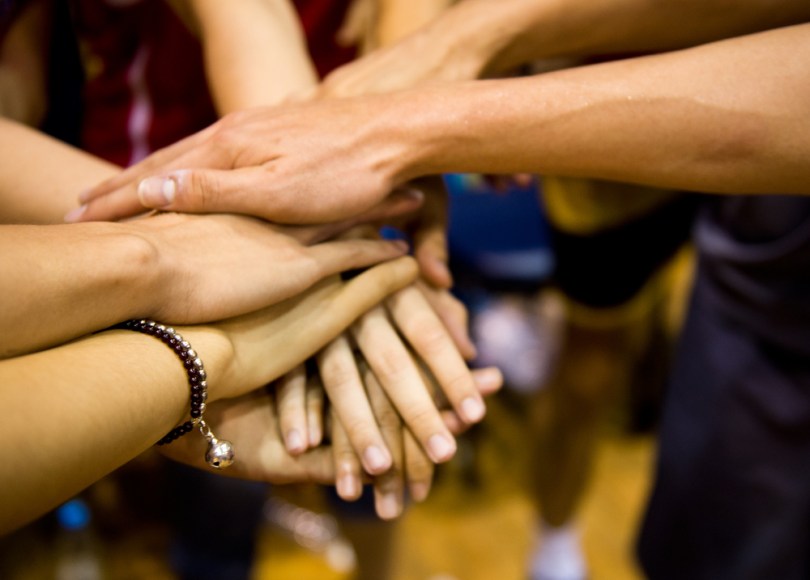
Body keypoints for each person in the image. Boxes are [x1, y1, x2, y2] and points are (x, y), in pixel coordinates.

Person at [73, 8, 810, 578]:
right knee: (241, 478)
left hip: (324, 192)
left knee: (367, 450)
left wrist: (389, 146)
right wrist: (349, 195)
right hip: (241, 192)